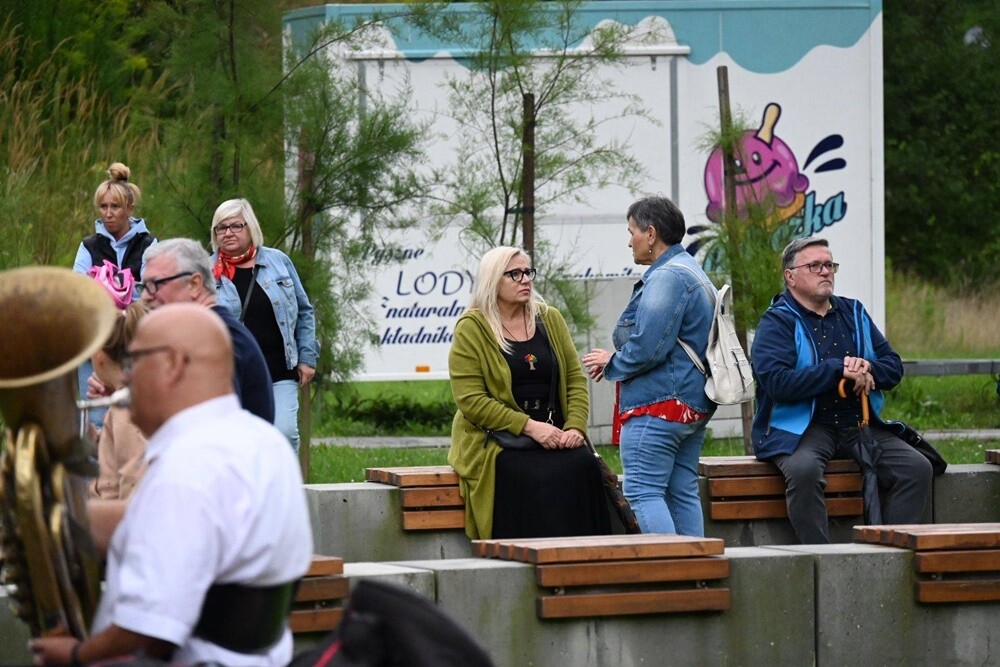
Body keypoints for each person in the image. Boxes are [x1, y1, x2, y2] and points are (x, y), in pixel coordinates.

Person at [29, 304, 312, 665]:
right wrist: (48, 514)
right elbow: (170, 525)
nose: (126, 377)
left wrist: (75, 654)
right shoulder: (262, 441)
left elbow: (148, 633)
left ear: (173, 364)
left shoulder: (188, 466)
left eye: (134, 361)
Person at [750, 236, 932, 544]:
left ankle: (892, 553)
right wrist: (837, 370)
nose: (825, 271)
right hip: (804, 428)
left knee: (917, 468)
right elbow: (777, 383)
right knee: (804, 471)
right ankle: (822, 558)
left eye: (829, 265)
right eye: (815, 266)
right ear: (790, 276)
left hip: (858, 423)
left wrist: (867, 369)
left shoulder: (854, 312)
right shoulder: (777, 322)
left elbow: (893, 366)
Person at [448, 246, 611, 540]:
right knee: (527, 474)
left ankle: (584, 557)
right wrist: (530, 427)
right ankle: (529, 560)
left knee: (583, 464)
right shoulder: (472, 328)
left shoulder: (550, 319)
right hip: (499, 439)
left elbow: (574, 379)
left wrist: (575, 426)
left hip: (555, 434)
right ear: (493, 280)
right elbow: (471, 400)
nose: (525, 279)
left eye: (527, 272)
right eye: (514, 274)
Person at [582, 196, 716, 536]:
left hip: (659, 405)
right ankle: (694, 566)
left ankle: (669, 566)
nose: (630, 242)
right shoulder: (691, 269)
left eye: (632, 232)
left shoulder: (668, 276)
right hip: (689, 404)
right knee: (681, 491)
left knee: (643, 491)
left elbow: (649, 346)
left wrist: (612, 362)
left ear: (651, 234)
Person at [210, 198, 317, 452]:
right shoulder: (206, 270)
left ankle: (284, 477)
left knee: (284, 433)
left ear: (251, 228)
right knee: (239, 442)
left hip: (279, 369)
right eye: (221, 228)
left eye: (236, 226)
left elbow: (304, 310)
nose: (228, 233)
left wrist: (307, 357)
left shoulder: (278, 261)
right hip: (231, 374)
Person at [138, 238, 275, 423]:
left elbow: (212, 428)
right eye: (143, 286)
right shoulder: (209, 333)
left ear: (194, 284)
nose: (145, 296)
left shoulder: (215, 341)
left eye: (156, 284)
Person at [73, 162, 156, 428]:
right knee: (97, 416)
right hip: (95, 341)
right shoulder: (89, 246)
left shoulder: (148, 245)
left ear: (130, 208)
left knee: (136, 414)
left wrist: (112, 295)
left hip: (135, 341)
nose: (108, 214)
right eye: (103, 206)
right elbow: (78, 293)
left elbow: (153, 292)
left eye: (115, 207)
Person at [89, 300, 149, 500]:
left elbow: (134, 484)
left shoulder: (125, 408)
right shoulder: (130, 397)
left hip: (113, 514)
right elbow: (120, 453)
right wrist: (93, 437)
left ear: (99, 355)